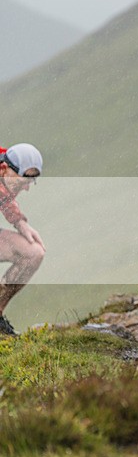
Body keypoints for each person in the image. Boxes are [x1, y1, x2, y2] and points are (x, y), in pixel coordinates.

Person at [0, 143, 45, 336]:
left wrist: (20, 223)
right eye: (22, 182)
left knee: (33, 253)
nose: (26, 188)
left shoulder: (5, 170)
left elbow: (4, 195)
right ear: (4, 169)